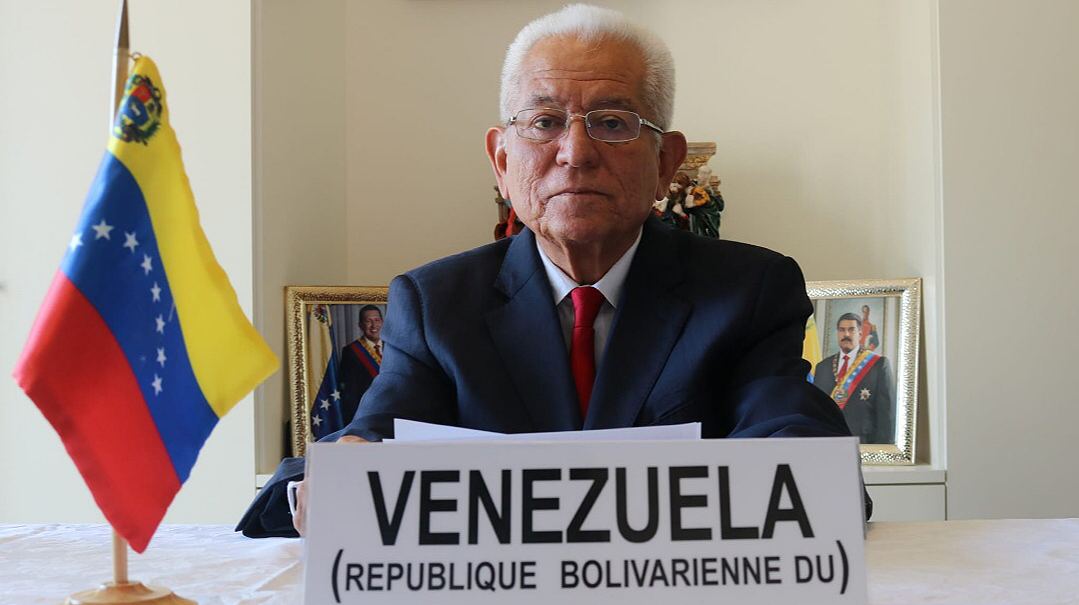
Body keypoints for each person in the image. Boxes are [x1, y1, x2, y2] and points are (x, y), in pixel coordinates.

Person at [237, 4, 862, 538]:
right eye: (544, 122)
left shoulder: (748, 291)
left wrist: (797, 465)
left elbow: (791, 429)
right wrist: (344, 471)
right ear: (501, 160)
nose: (576, 152)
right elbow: (377, 436)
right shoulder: (436, 303)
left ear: (665, 163)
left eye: (613, 123)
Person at [812, 313, 895, 444]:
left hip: (864, 444)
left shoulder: (878, 365)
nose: (846, 334)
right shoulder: (822, 367)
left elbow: (886, 415)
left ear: (860, 334)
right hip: (828, 443)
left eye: (851, 330)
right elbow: (815, 411)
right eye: (842, 330)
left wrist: (883, 449)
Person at [336, 305, 383, 425]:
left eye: (377, 320)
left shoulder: (394, 348)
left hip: (394, 410)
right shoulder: (351, 351)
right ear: (361, 325)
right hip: (367, 415)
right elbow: (350, 393)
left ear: (382, 322)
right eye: (368, 321)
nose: (373, 325)